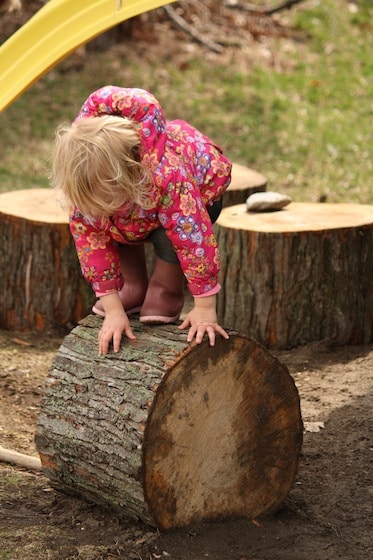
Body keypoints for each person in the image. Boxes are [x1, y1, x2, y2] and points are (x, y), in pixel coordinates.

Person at [52, 85, 232, 355]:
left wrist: (205, 308)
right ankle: (132, 286)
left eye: (106, 199)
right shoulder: (88, 196)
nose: (96, 209)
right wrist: (113, 310)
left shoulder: (168, 178)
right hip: (136, 210)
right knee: (106, 224)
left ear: (130, 174)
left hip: (197, 200)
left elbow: (194, 240)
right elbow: (93, 251)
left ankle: (166, 288)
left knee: (170, 234)